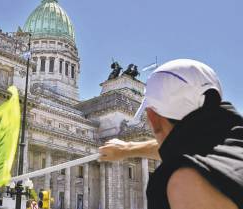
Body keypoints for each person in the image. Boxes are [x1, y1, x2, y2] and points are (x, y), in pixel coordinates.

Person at [99, 59, 243, 209]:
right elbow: (183, 146)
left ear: (153, 118)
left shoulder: (186, 182)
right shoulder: (232, 133)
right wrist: (128, 149)